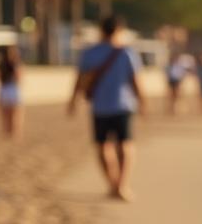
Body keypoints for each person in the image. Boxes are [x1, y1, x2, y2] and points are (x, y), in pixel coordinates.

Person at [68, 15, 146, 201]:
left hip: (100, 107)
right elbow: (135, 81)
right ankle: (122, 184)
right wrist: (143, 102)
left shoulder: (89, 53)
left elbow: (79, 79)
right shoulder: (127, 52)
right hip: (124, 105)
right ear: (120, 31)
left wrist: (72, 101)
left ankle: (112, 184)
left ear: (100, 30)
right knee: (125, 145)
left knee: (103, 146)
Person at [0, 45, 23, 139]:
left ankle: (6, 131)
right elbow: (19, 76)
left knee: (5, 113)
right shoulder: (16, 63)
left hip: (4, 88)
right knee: (15, 113)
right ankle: (14, 132)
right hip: (12, 88)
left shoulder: (1, 64)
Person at [165, 50, 193, 115]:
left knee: (178, 95)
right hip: (172, 81)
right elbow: (168, 73)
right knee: (172, 95)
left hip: (177, 81)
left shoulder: (179, 65)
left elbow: (182, 73)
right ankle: (172, 108)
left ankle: (177, 108)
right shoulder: (169, 65)